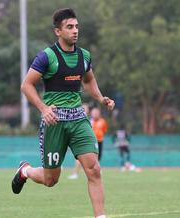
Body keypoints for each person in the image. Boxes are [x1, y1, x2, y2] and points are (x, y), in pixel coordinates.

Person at [12, 8, 115, 218]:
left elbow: (88, 81)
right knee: (51, 180)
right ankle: (25, 171)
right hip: (54, 122)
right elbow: (26, 86)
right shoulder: (46, 57)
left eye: (76, 26)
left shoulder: (84, 56)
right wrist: (43, 108)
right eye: (69, 27)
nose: (75, 31)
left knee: (94, 169)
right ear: (57, 31)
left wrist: (100, 98)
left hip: (78, 119)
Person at [68, 106, 108, 179]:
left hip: (99, 141)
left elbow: (104, 130)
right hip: (88, 141)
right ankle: (75, 173)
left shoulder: (102, 121)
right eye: (94, 112)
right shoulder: (88, 121)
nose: (95, 114)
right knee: (80, 158)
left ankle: (95, 171)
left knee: (97, 158)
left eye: (97, 112)